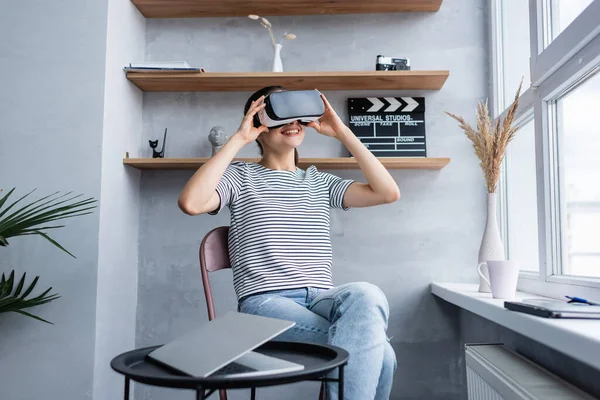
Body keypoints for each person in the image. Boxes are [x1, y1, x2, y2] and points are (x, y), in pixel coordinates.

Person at [178, 86, 400, 399]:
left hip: (321, 300)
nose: (291, 121)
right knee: (381, 354)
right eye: (279, 114)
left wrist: (342, 132)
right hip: (265, 303)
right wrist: (239, 139)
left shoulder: (319, 181)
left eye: (297, 114)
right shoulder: (240, 177)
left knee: (367, 294)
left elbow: (387, 192)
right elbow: (191, 202)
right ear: (259, 126)